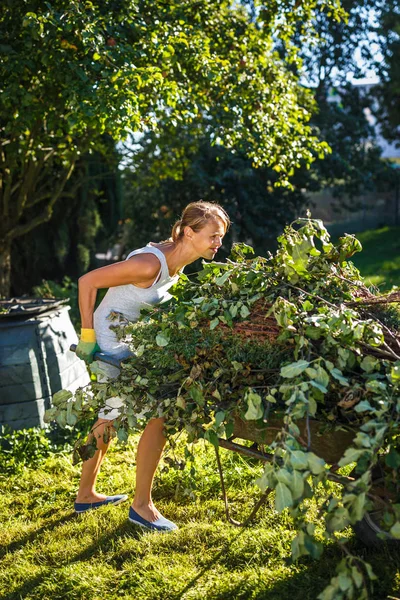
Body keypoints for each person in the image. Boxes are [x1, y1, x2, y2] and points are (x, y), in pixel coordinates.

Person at [73, 201, 230, 531]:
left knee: (109, 414)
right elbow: (87, 281)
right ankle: (142, 506)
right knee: (161, 412)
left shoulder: (178, 262)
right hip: (109, 342)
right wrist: (87, 335)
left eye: (221, 236)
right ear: (189, 232)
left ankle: (86, 495)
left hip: (130, 339)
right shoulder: (149, 264)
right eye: (214, 236)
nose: (219, 243)